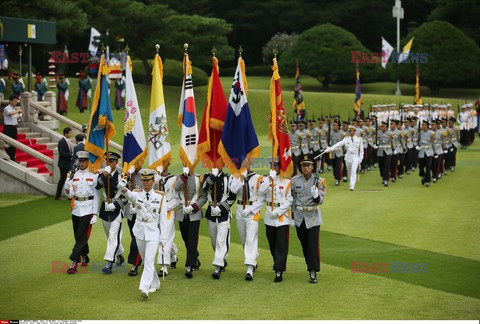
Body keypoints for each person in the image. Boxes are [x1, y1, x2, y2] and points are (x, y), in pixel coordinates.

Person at [119, 169, 166, 301]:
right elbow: (122, 190)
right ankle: (155, 283)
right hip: (139, 231)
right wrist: (123, 180)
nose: (145, 182)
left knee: (149, 261)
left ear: (153, 181)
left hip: (153, 232)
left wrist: (163, 238)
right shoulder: (136, 194)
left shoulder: (160, 196)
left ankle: (144, 288)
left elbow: (164, 219)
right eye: (143, 180)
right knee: (146, 261)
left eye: (148, 180)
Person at [281, 155, 326, 283]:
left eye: (308, 165)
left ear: (312, 167)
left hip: (312, 217)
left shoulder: (319, 181)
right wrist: (293, 217)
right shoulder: (295, 181)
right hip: (300, 217)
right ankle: (309, 264)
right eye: (303, 165)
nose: (305, 168)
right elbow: (293, 200)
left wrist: (316, 195)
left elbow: (321, 201)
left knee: (312, 244)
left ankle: (313, 271)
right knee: (304, 244)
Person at [255, 157, 291, 282]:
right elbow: (261, 192)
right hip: (269, 217)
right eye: (271, 165)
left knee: (281, 244)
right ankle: (277, 262)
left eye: (275, 165)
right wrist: (269, 179)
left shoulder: (286, 181)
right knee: (272, 243)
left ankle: (279, 270)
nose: (273, 167)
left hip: (282, 217)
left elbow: (289, 199)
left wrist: (278, 212)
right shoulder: (265, 179)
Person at [63, 151, 99, 274]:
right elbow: (70, 195)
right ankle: (85, 255)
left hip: (88, 209)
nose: (82, 163)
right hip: (77, 208)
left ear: (88, 161)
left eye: (84, 161)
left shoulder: (94, 175)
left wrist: (95, 214)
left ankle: (74, 262)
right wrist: (67, 184)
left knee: (81, 235)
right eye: (80, 161)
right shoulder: (74, 175)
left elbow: (97, 196)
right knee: (78, 235)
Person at [230, 162, 264, 281]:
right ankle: (253, 255)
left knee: (251, 238)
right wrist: (241, 177)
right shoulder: (235, 177)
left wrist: (251, 210)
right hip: (240, 210)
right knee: (244, 239)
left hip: (252, 211)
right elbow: (233, 190)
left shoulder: (258, 178)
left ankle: (250, 268)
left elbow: (261, 198)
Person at [202, 167, 236, 279]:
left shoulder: (228, 178)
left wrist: (221, 208)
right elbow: (204, 187)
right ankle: (222, 259)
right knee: (214, 241)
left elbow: (232, 196)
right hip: (211, 212)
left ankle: (217, 267)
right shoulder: (207, 176)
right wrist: (213, 175)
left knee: (221, 240)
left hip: (223, 213)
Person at [96, 152, 127, 274]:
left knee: (114, 236)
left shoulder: (122, 176)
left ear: (117, 162)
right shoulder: (103, 174)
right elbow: (97, 186)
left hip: (116, 209)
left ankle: (109, 262)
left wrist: (114, 205)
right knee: (109, 236)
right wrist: (105, 173)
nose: (110, 163)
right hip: (104, 208)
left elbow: (125, 197)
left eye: (112, 161)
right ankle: (119, 254)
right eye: (108, 161)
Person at [175, 165, 207, 279]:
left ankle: (190, 266)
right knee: (186, 239)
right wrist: (184, 176)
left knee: (192, 239)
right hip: (182, 213)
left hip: (194, 214)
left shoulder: (199, 178)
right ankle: (194, 256)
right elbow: (176, 188)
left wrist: (194, 207)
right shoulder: (179, 177)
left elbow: (203, 197)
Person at [156, 162, 179, 277]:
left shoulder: (173, 179)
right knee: (164, 237)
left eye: (163, 162)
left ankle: (163, 266)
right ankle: (174, 254)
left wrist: (165, 208)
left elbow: (177, 198)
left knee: (164, 238)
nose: (161, 164)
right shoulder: (154, 178)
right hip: (155, 213)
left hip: (168, 213)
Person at [324, 125, 363, 191]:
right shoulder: (346, 139)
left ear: (354, 131)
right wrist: (330, 149)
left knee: (353, 170)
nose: (350, 132)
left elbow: (361, 151)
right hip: (348, 157)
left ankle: (352, 185)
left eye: (351, 131)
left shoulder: (359, 140)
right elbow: (338, 144)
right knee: (349, 171)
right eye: (349, 131)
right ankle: (351, 181)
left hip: (355, 157)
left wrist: (360, 159)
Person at [124, 167, 143, 276]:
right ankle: (142, 260)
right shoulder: (125, 175)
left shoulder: (144, 175)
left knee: (137, 238)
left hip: (141, 212)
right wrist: (126, 175)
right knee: (134, 237)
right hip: (130, 213)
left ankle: (134, 265)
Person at [55, 127, 74, 200]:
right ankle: (58, 195)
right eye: (70, 133)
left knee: (68, 180)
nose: (71, 134)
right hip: (63, 164)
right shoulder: (62, 141)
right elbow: (62, 153)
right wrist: (71, 155)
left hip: (67, 164)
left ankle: (69, 195)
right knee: (62, 179)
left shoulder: (67, 141)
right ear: (66, 133)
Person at [2, 95, 22, 161]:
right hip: (8, 128)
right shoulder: (7, 108)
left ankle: (13, 157)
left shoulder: (14, 109)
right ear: (10, 101)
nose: (16, 102)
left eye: (16, 101)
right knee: (8, 143)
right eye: (14, 101)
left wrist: (20, 114)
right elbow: (10, 114)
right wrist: (17, 111)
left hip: (14, 127)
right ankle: (9, 157)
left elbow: (16, 117)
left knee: (14, 143)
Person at [416, 120, 434, 187]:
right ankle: (423, 175)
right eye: (422, 125)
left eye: (424, 125)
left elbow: (433, 142)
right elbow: (417, 140)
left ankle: (427, 181)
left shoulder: (431, 133)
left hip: (428, 151)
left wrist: (435, 152)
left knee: (428, 167)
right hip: (422, 151)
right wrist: (417, 145)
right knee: (420, 166)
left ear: (427, 126)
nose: (422, 126)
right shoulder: (420, 133)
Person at [376, 121, 392, 187]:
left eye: (383, 126)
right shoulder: (378, 133)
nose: (381, 127)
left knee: (387, 165)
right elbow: (376, 140)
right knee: (381, 165)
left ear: (386, 127)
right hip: (380, 150)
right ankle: (383, 176)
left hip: (387, 150)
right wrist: (375, 145)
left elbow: (393, 142)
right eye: (381, 126)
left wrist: (394, 149)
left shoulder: (390, 133)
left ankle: (386, 179)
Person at [329, 121, 344, 186]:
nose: (334, 126)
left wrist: (345, 150)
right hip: (332, 152)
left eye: (335, 125)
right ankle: (336, 176)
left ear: (338, 126)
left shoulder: (342, 133)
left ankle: (338, 179)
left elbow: (344, 143)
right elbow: (328, 141)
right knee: (334, 165)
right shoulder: (330, 133)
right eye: (333, 125)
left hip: (339, 151)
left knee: (338, 165)